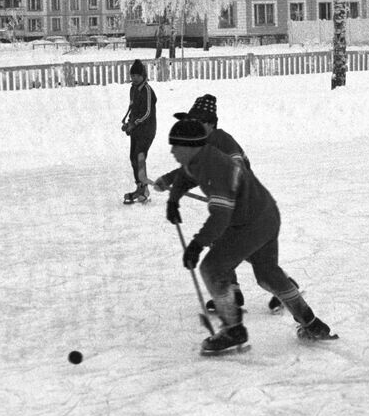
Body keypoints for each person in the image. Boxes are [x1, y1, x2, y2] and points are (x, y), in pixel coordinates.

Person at [168, 117, 334, 355]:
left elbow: (219, 219)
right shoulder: (200, 159)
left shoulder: (216, 169)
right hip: (267, 213)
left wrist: (196, 245)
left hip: (250, 224)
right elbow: (185, 175)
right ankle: (311, 322)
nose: (172, 151)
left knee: (212, 268)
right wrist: (173, 199)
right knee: (267, 274)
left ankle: (233, 330)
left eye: (176, 146)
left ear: (191, 146)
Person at [153, 94, 285, 314]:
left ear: (210, 124)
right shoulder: (203, 145)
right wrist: (168, 180)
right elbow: (191, 170)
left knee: (249, 252)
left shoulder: (222, 141)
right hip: (232, 206)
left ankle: (282, 287)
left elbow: (237, 167)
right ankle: (233, 290)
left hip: (246, 207)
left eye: (197, 122)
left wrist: (223, 192)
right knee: (225, 245)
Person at [120, 58, 157, 204]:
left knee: (139, 157)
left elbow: (147, 112)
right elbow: (133, 108)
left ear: (143, 76)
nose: (134, 78)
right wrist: (129, 122)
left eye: (137, 75)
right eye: (132, 75)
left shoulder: (147, 90)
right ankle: (140, 187)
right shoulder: (133, 89)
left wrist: (134, 123)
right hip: (136, 129)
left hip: (147, 130)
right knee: (133, 157)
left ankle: (144, 190)